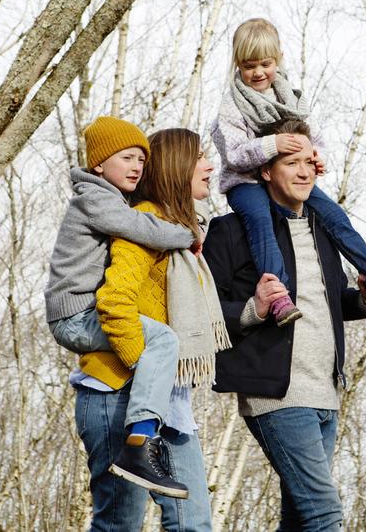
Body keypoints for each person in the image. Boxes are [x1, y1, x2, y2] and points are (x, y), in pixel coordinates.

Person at [203, 119, 366, 531]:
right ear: (265, 169)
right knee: (324, 514)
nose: (303, 172)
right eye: (290, 163)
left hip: (325, 391)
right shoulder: (231, 231)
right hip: (277, 394)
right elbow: (203, 314)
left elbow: (333, 302)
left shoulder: (323, 231)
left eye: (308, 162)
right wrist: (254, 309)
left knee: (300, 519)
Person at [211, 17, 366, 327]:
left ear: (277, 60)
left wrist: (317, 157)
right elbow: (236, 155)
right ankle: (278, 294)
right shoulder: (232, 106)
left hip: (281, 179)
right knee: (260, 220)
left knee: (333, 215)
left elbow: (313, 138)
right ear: (237, 64)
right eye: (248, 65)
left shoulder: (290, 97)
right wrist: (273, 144)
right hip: (245, 180)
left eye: (265, 64)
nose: (257, 73)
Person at [79, 127, 228, 531]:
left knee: (193, 523)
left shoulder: (182, 236)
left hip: (169, 403)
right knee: (119, 526)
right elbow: (114, 300)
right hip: (116, 393)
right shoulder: (144, 222)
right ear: (177, 167)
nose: (210, 166)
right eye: (201, 158)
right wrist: (144, 363)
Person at [45, 116, 195, 499]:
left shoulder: (111, 200)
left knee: (158, 341)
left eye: (141, 161)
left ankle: (142, 439)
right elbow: (142, 228)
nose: (136, 167)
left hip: (81, 314)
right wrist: (185, 235)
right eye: (126, 158)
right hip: (74, 316)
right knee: (161, 341)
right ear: (99, 164)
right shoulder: (94, 199)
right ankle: (140, 442)